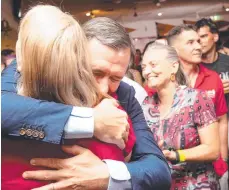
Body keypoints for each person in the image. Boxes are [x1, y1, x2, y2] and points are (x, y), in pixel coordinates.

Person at [1, 14, 171, 190]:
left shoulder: (123, 97)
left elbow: (158, 170)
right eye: (96, 73)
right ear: (72, 57)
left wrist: (107, 175)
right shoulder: (35, 74)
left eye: (115, 78)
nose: (104, 88)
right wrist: (92, 121)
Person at [141, 42, 220, 189]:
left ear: (174, 67)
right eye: (143, 67)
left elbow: (213, 149)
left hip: (197, 184)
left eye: (153, 65)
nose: (147, 72)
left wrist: (177, 155)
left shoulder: (196, 99)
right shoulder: (146, 105)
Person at [166, 24, 228, 175]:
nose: (198, 46)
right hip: (173, 167)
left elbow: (222, 120)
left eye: (198, 41)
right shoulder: (164, 82)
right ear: (174, 50)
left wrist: (223, 159)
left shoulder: (212, 77)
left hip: (210, 166)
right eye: (190, 42)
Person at [195, 18, 229, 189]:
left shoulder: (227, 61)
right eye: (197, 38)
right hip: (207, 128)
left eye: (203, 36)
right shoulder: (195, 68)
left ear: (215, 37)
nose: (200, 42)